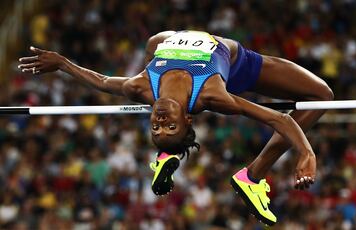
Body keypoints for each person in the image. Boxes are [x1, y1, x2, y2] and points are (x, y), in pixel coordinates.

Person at [18, 30, 334, 226]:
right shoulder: (211, 95)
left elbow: (100, 81)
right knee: (322, 96)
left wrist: (62, 64)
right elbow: (281, 119)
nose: (160, 122)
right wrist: (306, 153)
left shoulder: (140, 87)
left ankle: (167, 155)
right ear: (188, 119)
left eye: (157, 128)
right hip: (238, 65)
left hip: (173, 50)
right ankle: (252, 175)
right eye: (171, 127)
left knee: (156, 41)